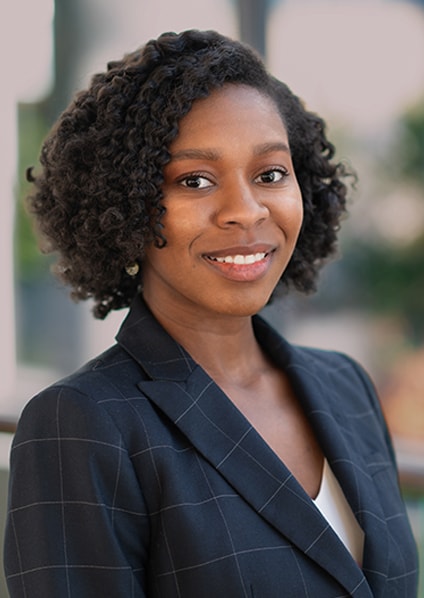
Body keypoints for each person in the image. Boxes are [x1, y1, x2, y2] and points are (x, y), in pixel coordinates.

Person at [4, 29, 418, 597]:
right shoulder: (83, 422)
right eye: (194, 180)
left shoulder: (345, 385)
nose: (245, 212)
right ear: (123, 204)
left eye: (270, 174)